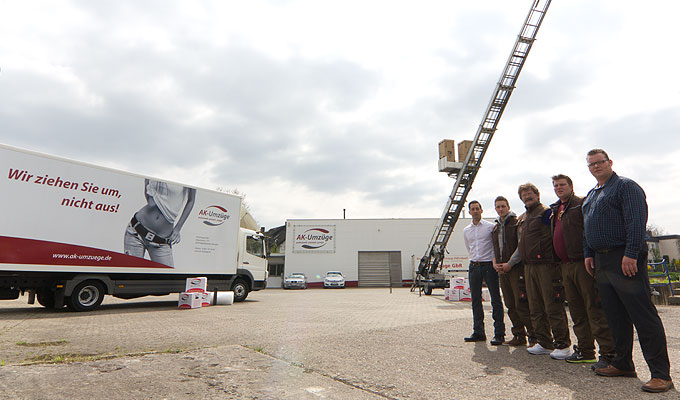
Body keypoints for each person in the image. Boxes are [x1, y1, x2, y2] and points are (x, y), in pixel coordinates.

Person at [583, 149, 673, 393]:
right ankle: (623, 364)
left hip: (623, 257)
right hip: (602, 262)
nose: (595, 167)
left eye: (599, 162)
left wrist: (631, 253)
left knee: (642, 316)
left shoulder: (625, 187)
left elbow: (636, 221)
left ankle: (661, 374)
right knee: (615, 317)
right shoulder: (592, 194)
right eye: (590, 164)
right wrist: (588, 254)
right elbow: (587, 228)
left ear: (610, 162)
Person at [550, 174, 615, 368]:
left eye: (562, 185)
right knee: (577, 312)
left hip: (582, 263)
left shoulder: (581, 204)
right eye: (556, 185)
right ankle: (586, 351)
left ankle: (608, 353)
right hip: (565, 266)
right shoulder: (557, 208)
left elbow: (589, 229)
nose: (559, 188)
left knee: (594, 309)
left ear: (571, 186)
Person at [507, 183, 571, 359]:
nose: (527, 196)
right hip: (528, 267)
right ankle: (544, 342)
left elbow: (558, 235)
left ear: (537, 194)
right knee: (534, 306)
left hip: (546, 265)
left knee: (552, 305)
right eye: (524, 194)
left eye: (530, 193)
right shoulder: (523, 218)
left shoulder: (546, 213)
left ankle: (563, 344)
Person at [492, 196, 535, 346]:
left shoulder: (516, 223)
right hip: (502, 271)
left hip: (516, 269)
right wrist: (495, 263)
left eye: (503, 206)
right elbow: (494, 248)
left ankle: (533, 336)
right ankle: (518, 335)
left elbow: (520, 246)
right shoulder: (496, 227)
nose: (501, 209)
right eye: (498, 207)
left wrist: (510, 263)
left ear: (508, 207)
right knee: (510, 304)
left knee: (521, 303)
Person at [124, 179, 196, 267]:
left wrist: (178, 228)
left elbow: (191, 201)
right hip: (136, 232)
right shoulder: (158, 170)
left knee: (166, 278)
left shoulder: (188, 176)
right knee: (131, 275)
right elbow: (147, 186)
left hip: (161, 241)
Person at [463, 200, 505, 345]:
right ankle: (478, 332)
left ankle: (499, 333)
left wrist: (494, 261)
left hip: (489, 266)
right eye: (472, 209)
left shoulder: (490, 227)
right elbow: (469, 248)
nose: (474, 211)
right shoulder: (466, 230)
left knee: (495, 299)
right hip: (474, 266)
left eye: (477, 209)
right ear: (469, 212)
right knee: (475, 300)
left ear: (482, 211)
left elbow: (495, 245)